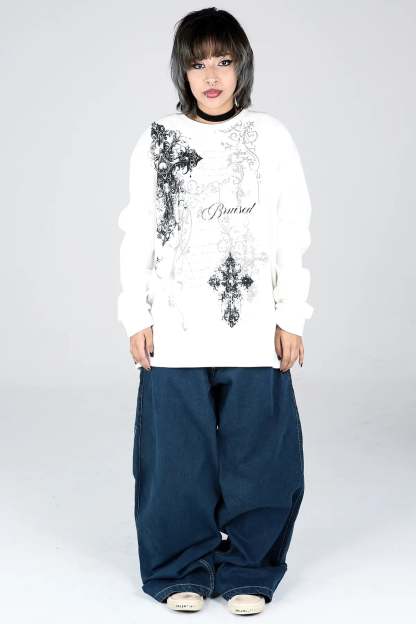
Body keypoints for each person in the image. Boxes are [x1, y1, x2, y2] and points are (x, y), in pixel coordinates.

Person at [117, 7, 314, 615]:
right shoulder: (159, 138)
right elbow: (139, 230)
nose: (211, 76)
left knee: (261, 457)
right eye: (198, 62)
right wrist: (135, 313)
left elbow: (291, 229)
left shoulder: (270, 137)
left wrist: (292, 315)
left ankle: (249, 569)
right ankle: (180, 567)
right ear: (181, 70)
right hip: (177, 326)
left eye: (223, 61)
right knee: (176, 459)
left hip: (252, 325)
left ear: (241, 67)